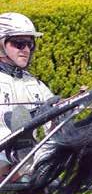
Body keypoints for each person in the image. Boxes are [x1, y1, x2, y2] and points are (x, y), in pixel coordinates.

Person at [0, 12, 54, 181]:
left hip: (30, 158)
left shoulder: (35, 84)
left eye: (29, 44)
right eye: (18, 43)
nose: (25, 49)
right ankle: (21, 155)